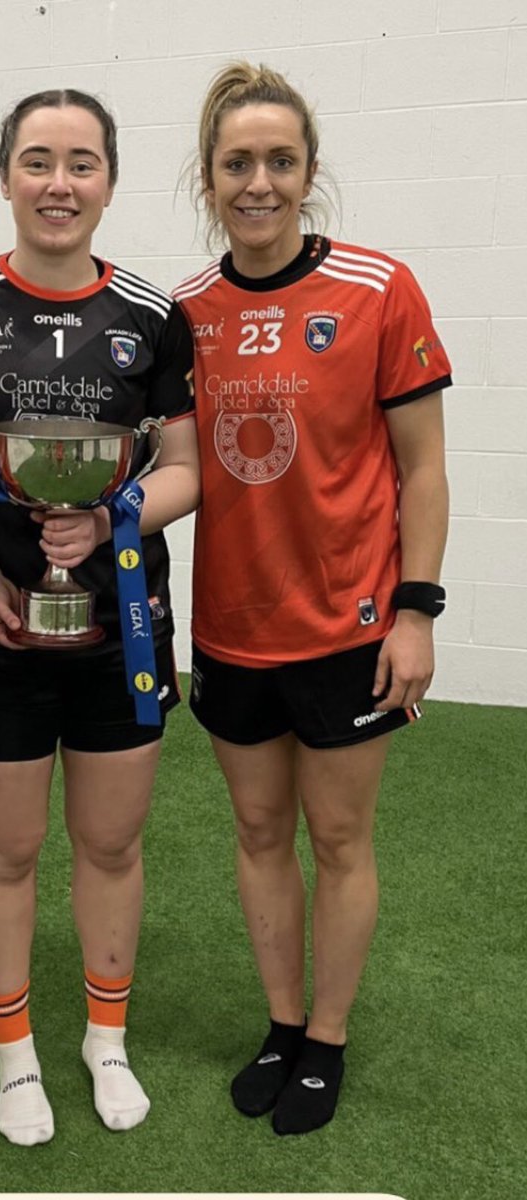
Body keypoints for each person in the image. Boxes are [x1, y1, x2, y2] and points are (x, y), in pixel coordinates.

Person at [0, 88, 198, 1144]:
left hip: (121, 621)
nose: (58, 183)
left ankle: (103, 1039)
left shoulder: (153, 317)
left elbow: (187, 466)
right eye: (37, 160)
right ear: (3, 176)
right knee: (5, 849)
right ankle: (15, 1054)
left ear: (109, 182)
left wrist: (115, 516)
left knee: (112, 845)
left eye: (81, 163)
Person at [174, 62, 451, 1136]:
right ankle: (280, 1022)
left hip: (349, 625)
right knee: (254, 830)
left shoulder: (378, 290)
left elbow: (420, 466)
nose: (257, 182)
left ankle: (326, 1038)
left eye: (278, 161)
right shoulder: (187, 312)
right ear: (207, 178)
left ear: (308, 172)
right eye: (236, 162)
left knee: (338, 838)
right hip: (230, 630)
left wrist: (415, 610)